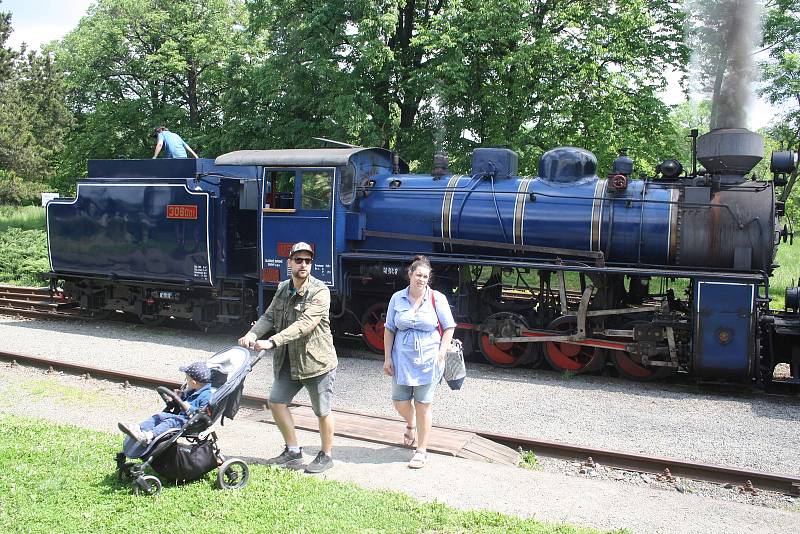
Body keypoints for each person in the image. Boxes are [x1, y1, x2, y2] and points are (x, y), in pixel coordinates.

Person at [238, 241, 337, 474]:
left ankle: (326, 455)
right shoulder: (283, 287)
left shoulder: (320, 291)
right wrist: (252, 333)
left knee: (322, 411)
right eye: (299, 260)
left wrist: (271, 341)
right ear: (289, 263)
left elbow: (306, 324)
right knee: (276, 401)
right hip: (289, 360)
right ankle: (293, 451)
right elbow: (269, 316)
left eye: (308, 261)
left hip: (317, 362)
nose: (304, 265)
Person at [383, 255, 456, 469]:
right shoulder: (397, 298)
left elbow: (449, 326)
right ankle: (411, 423)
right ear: (410, 274)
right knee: (399, 400)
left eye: (425, 276)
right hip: (402, 359)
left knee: (423, 404)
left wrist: (441, 353)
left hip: (429, 359)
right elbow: (389, 328)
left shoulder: (437, 298)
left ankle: (421, 451)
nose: (421, 279)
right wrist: (387, 357)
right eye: (418, 275)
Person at [118, 361, 212, 445]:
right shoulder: (194, 389)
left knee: (169, 422)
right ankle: (137, 428)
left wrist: (188, 407)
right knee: (160, 416)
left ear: (194, 382)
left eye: (187, 379)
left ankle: (147, 437)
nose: (186, 382)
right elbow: (184, 398)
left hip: (190, 422)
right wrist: (180, 395)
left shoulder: (206, 396)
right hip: (181, 417)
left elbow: (201, 414)